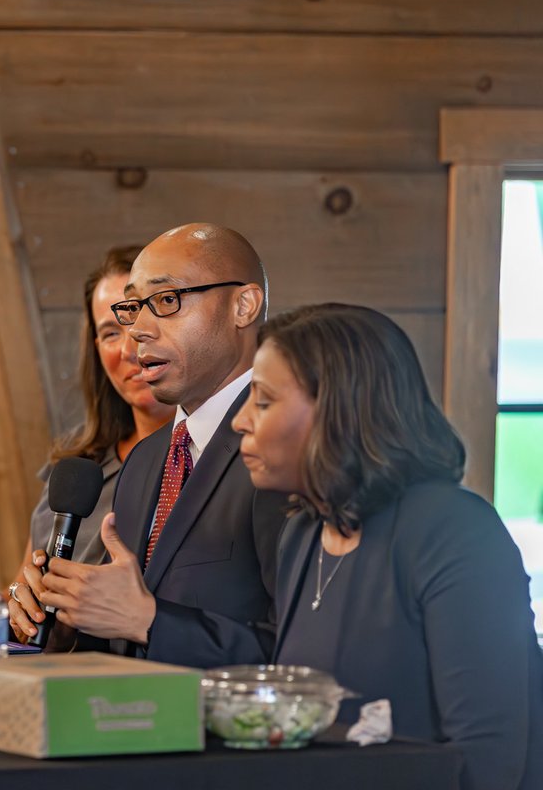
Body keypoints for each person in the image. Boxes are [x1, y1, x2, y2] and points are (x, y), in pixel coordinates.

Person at [231, 303, 542, 790]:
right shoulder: (301, 533)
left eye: (264, 402)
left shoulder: (454, 531)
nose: (240, 422)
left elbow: (488, 759)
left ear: (339, 409)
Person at [10, 222, 285, 668]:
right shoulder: (146, 459)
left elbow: (309, 651)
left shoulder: (287, 450)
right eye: (133, 308)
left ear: (244, 305)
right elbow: (123, 638)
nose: (137, 329)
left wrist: (150, 621)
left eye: (165, 300)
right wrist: (67, 618)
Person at [7, 247, 174, 638]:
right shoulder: (77, 467)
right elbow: (21, 591)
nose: (130, 350)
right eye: (111, 332)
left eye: (142, 321)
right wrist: (17, 600)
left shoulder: (202, 462)